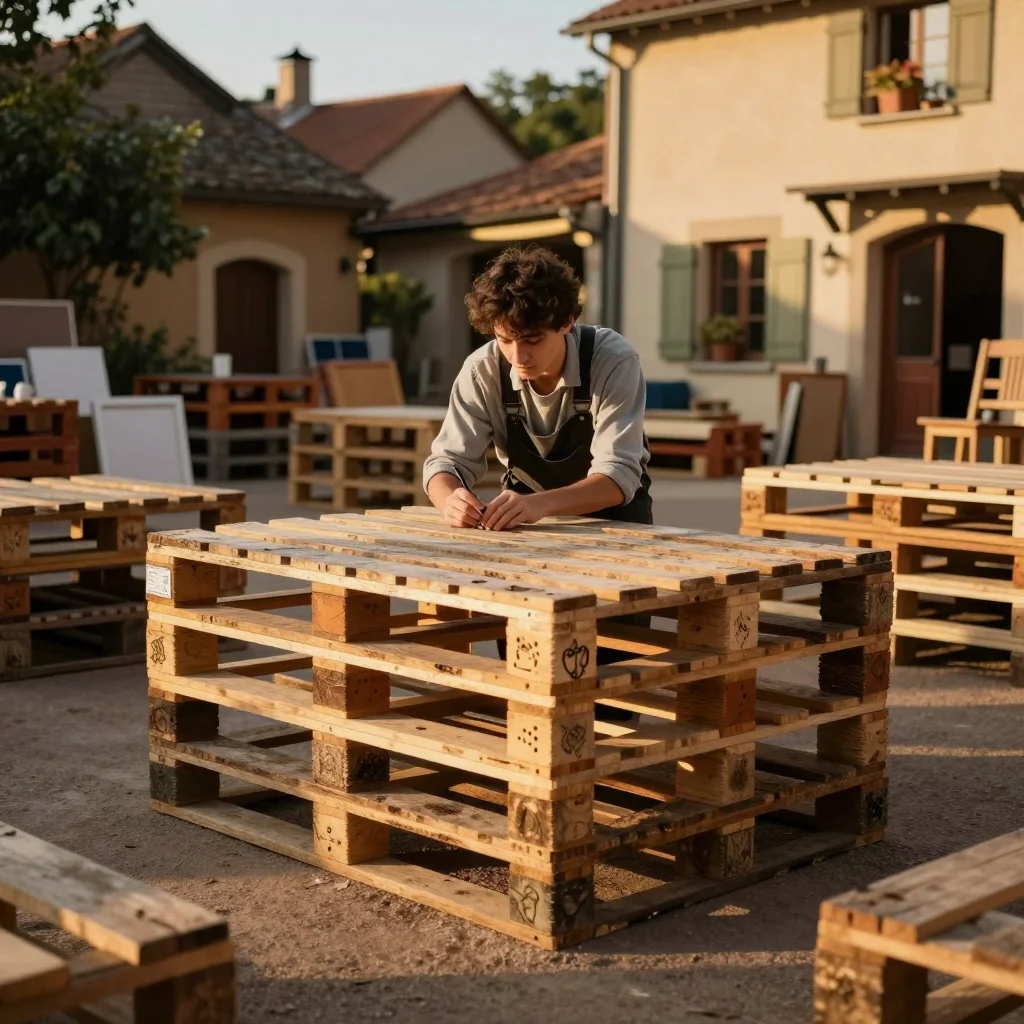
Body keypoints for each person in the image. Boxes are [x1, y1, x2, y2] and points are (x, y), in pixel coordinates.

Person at [424, 244, 652, 530]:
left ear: (567, 322)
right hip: (525, 530)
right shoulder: (482, 370)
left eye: (532, 340)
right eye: (505, 340)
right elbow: (446, 462)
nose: (518, 357)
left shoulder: (613, 360)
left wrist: (540, 504)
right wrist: (450, 500)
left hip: (617, 529)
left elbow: (619, 474)